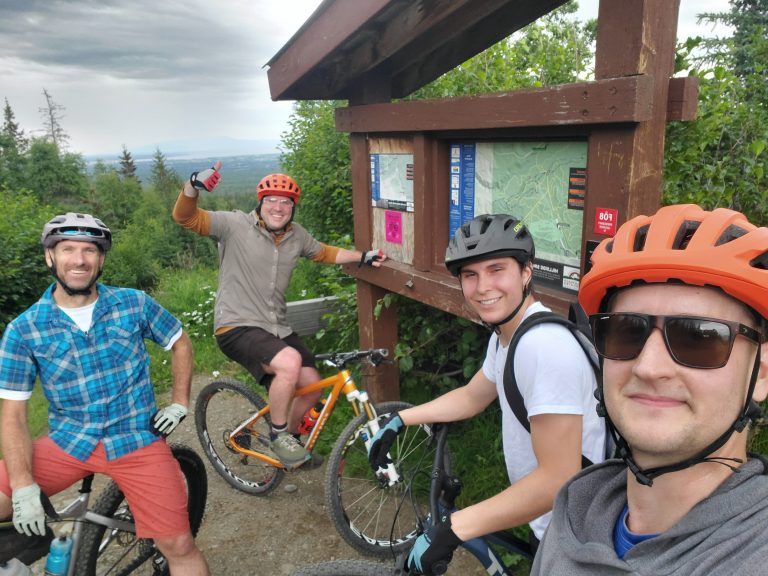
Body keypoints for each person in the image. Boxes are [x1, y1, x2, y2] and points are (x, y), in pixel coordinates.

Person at [531, 204, 768, 575]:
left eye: (699, 337)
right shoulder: (576, 508)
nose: (649, 366)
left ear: (762, 373)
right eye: (627, 330)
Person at [368, 213, 606, 574]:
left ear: (526, 272)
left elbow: (559, 477)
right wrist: (401, 419)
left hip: (576, 531)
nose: (482, 287)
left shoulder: (544, 347)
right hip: (549, 517)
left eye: (497, 270)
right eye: (470, 275)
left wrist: (455, 528)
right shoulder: (509, 335)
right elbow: (472, 396)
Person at [0, 213, 209, 575]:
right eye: (67, 249)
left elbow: (180, 342)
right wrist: (21, 487)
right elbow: (14, 414)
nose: (79, 259)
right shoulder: (24, 330)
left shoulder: (134, 304)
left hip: (136, 440)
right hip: (69, 441)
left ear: (101, 259)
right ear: (50, 257)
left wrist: (179, 402)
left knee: (178, 544)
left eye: (89, 250)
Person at [173, 162, 386, 467]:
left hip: (276, 328)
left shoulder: (296, 236)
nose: (278, 207)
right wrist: (193, 185)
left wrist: (362, 257)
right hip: (236, 325)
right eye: (271, 200)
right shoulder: (233, 225)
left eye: (286, 202)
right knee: (290, 363)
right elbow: (185, 217)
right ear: (260, 204)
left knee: (311, 385)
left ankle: (285, 440)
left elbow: (324, 252)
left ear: (292, 208)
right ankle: (279, 436)